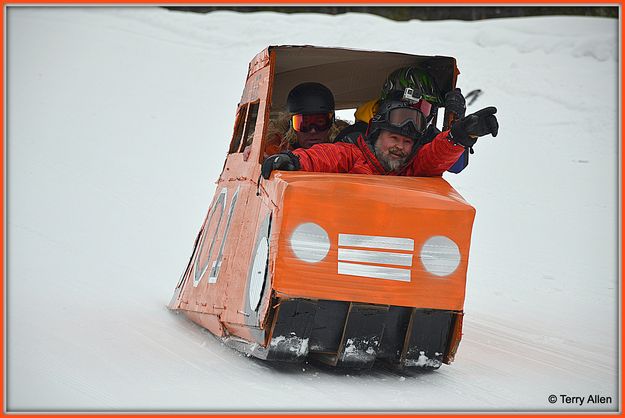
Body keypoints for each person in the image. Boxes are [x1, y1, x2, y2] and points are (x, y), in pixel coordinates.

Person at [260, 94, 498, 178]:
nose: (399, 147)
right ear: (376, 134)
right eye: (393, 138)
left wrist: (460, 135)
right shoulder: (354, 154)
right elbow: (325, 156)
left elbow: (434, 156)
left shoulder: (407, 167)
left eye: (406, 142)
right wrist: (294, 160)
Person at [244, 82, 347, 160]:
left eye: (320, 123)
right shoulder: (277, 146)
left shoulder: (344, 145)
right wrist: (258, 150)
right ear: (291, 124)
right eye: (303, 124)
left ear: (331, 123)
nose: (313, 131)